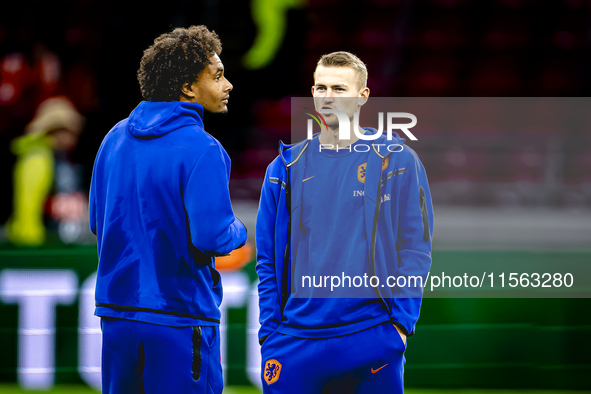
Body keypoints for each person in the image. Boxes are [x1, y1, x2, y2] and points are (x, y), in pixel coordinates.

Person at [255, 51, 433, 393]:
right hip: (293, 340)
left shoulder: (396, 162)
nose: (328, 97)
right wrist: (270, 331)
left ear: (362, 96)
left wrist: (400, 325)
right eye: (321, 88)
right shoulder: (284, 168)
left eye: (339, 88)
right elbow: (267, 259)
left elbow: (415, 248)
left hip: (371, 336)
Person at [89, 26, 247, 394]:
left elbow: (98, 222)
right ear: (188, 88)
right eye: (218, 75)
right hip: (178, 317)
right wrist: (241, 230)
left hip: (115, 315)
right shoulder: (203, 148)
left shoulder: (113, 137)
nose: (229, 85)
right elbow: (213, 236)